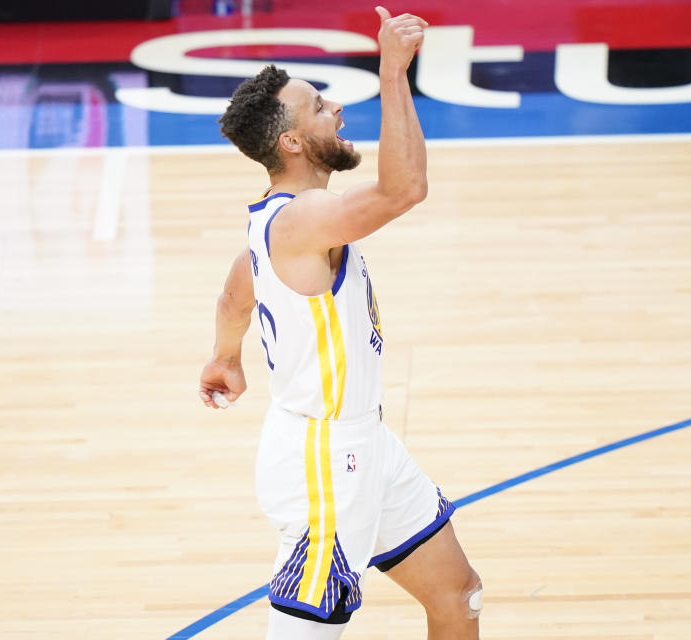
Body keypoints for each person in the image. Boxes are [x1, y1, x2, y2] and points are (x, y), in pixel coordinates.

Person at [198, 7, 482, 640]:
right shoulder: (302, 221)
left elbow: (233, 296)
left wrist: (225, 357)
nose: (337, 112)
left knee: (458, 595)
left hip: (366, 444)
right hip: (324, 461)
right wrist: (391, 71)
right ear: (293, 143)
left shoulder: (274, 225)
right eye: (321, 107)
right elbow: (403, 189)